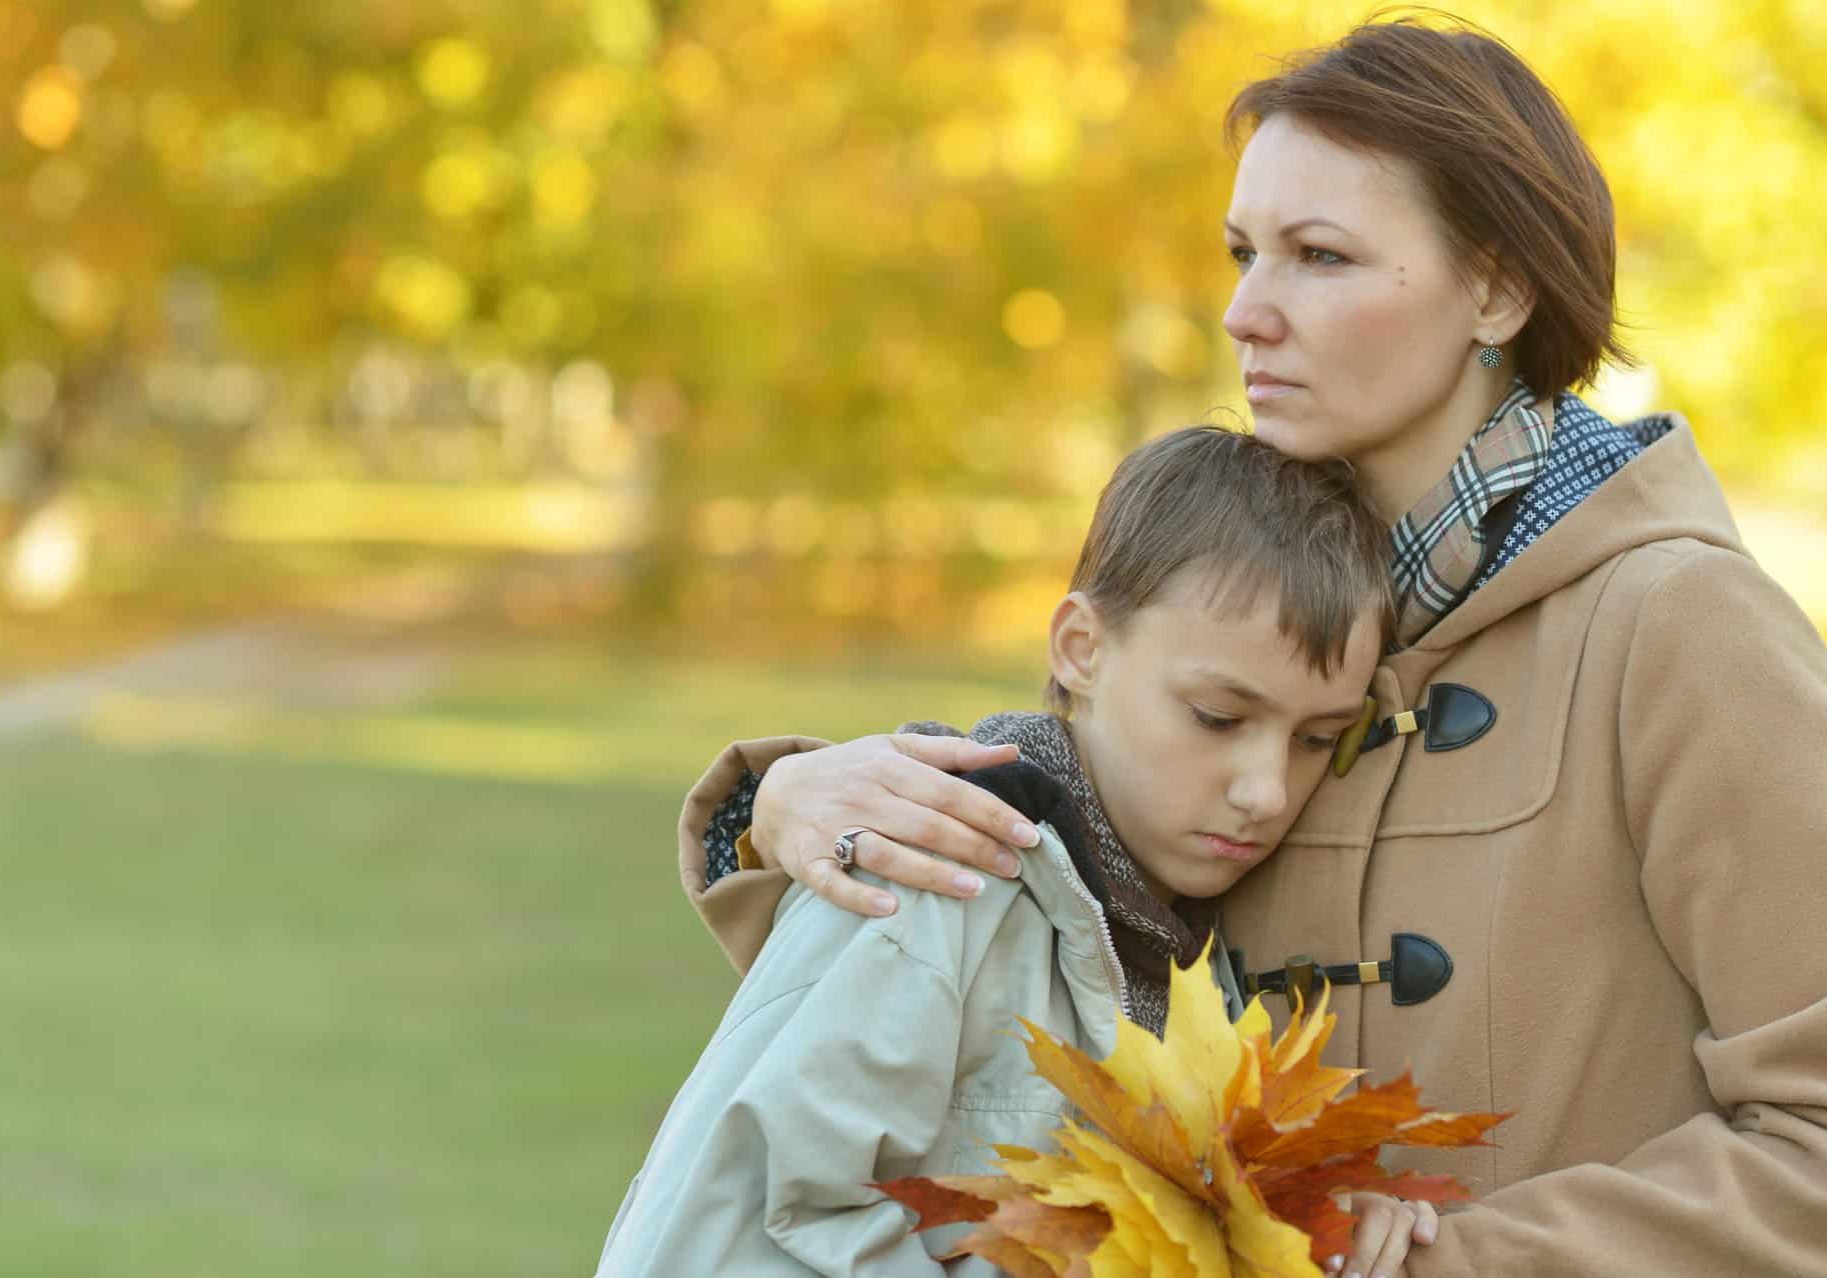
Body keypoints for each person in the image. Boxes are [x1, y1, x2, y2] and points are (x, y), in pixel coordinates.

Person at [670, 17, 1827, 1278]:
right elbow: (1000, 981)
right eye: (1243, 253)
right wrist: (784, 804)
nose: (1243, 313)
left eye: (1318, 257)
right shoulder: (1268, 610)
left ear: (1494, 289)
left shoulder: (1678, 629)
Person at [599, 428, 1439, 1276]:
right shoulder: (929, 880)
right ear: (1081, 649)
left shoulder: (1200, 946)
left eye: (1317, 739)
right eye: (1218, 718)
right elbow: (703, 1244)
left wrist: (1301, 1230)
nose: (1266, 790)